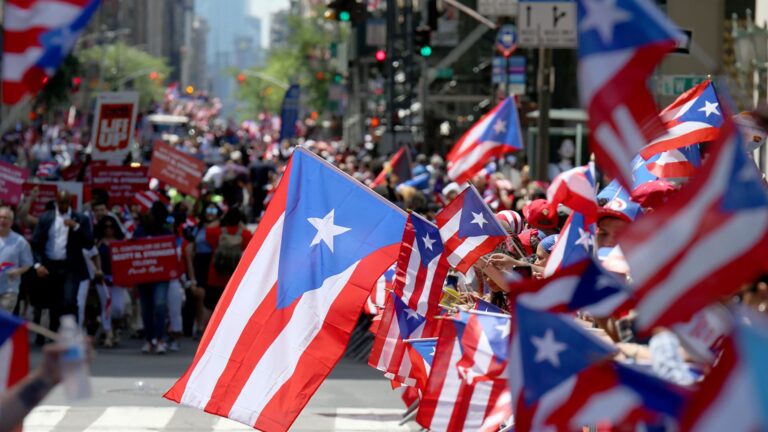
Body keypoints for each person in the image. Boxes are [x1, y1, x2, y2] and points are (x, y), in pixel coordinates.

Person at [31, 190, 94, 333]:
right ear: (56, 202)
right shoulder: (46, 218)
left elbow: (89, 243)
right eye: (60, 203)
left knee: (69, 300)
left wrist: (76, 227)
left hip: (70, 267)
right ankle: (54, 333)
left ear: (70, 202)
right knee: (53, 303)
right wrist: (38, 264)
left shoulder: (80, 219)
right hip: (50, 266)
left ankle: (72, 333)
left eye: (66, 203)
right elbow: (35, 244)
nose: (63, 206)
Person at [133, 202, 172, 354]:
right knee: (146, 308)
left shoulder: (166, 233)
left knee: (160, 305)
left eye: (151, 214)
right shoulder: (139, 231)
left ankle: (160, 339)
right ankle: (149, 340)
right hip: (144, 276)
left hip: (161, 276)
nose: (147, 216)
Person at [203, 207, 252, 327]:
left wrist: (220, 220)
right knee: (231, 306)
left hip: (215, 275)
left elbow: (207, 229)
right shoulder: (244, 235)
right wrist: (242, 225)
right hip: (233, 276)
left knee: (209, 305)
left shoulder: (216, 232)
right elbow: (252, 238)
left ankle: (203, 331)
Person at [0, 206, 33, 313]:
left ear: (11, 222)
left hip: (8, 290)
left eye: (6, 218)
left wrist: (17, 271)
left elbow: (27, 264)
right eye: (0, 217)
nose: (2, 220)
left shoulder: (20, 241)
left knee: (2, 323)